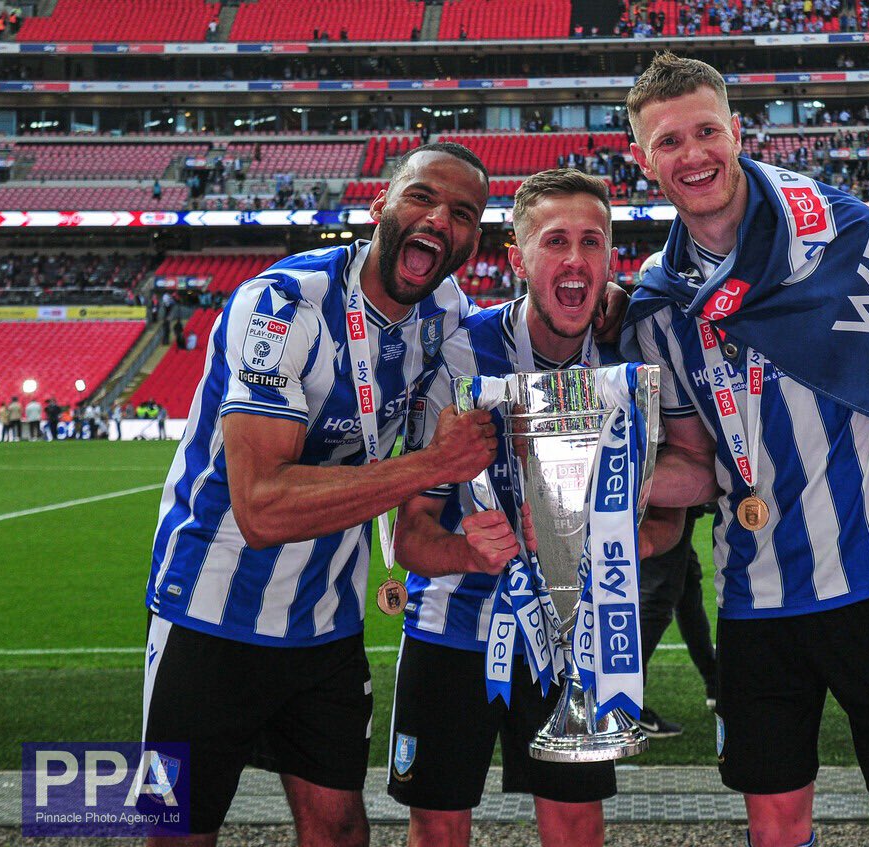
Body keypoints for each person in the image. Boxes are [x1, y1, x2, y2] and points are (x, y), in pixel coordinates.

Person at [621, 53, 869, 847]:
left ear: (738, 132)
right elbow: (698, 464)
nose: (693, 154)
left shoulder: (839, 234)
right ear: (643, 160)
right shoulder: (661, 304)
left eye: (706, 131)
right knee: (774, 827)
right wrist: (599, 484)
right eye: (668, 142)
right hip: (755, 598)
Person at [140, 142, 502, 846]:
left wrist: (609, 304)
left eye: (462, 213)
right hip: (208, 611)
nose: (440, 219)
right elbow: (261, 506)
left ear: (471, 242)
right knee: (178, 830)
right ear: (380, 206)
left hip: (325, 621)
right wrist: (429, 464)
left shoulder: (445, 311)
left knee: (339, 829)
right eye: (422, 196)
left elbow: (509, 334)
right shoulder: (282, 306)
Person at [389, 169, 682, 847]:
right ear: (517, 258)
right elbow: (408, 537)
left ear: (610, 257)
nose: (575, 259)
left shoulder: (629, 360)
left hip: (576, 637)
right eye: (555, 241)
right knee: (437, 828)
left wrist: (615, 541)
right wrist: (470, 551)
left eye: (592, 241)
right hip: (453, 629)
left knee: (576, 826)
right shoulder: (459, 356)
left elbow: (668, 521)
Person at [636, 502, 718, 738]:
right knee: (658, 595)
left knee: (686, 587)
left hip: (671, 500)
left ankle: (715, 681)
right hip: (666, 500)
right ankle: (624, 704)